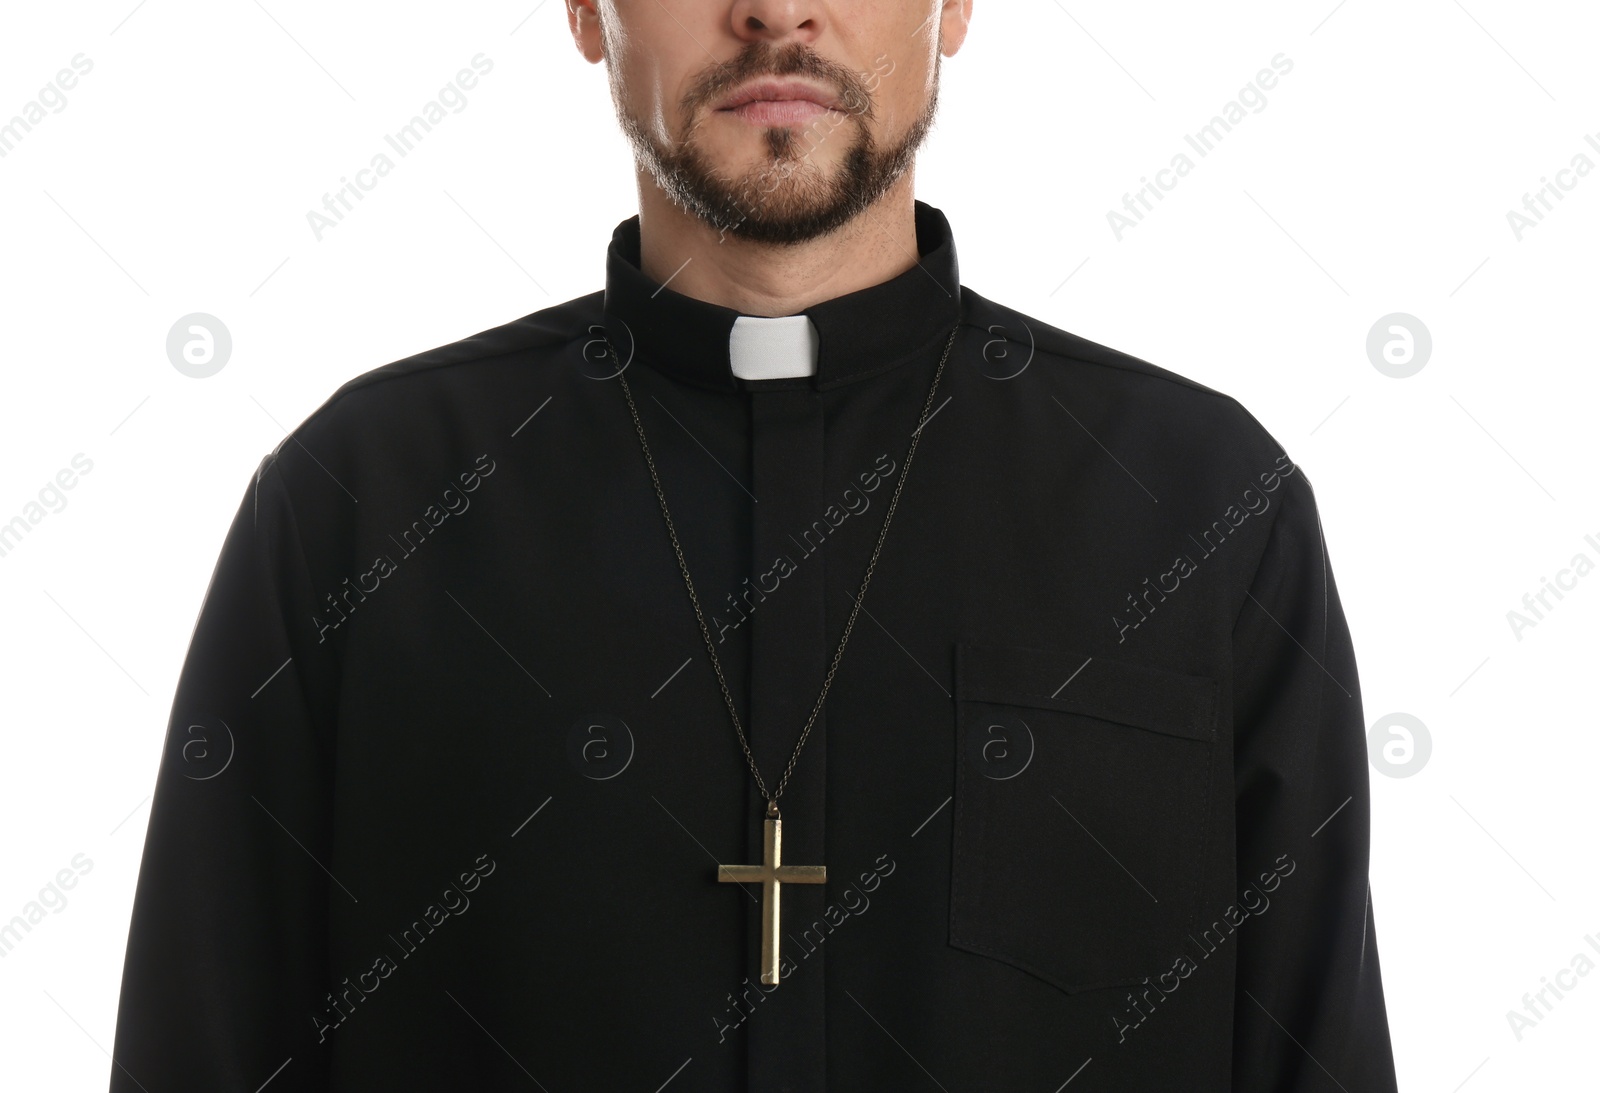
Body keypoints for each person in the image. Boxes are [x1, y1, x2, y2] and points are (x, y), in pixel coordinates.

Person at [109, 2, 1400, 1089]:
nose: (777, 9)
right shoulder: (359, 503)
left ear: (954, 5)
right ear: (584, 11)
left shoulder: (1204, 509)